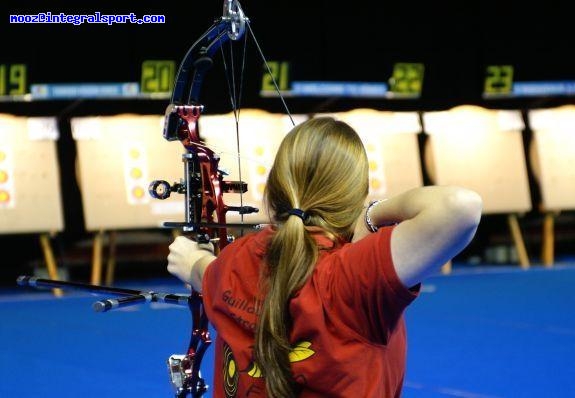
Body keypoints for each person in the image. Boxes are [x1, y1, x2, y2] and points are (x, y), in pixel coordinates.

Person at [167, 116, 483, 398]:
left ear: (274, 187)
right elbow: (459, 206)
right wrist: (372, 214)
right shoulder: (353, 276)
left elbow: (204, 271)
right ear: (355, 197)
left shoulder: (235, 259)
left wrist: (189, 257)